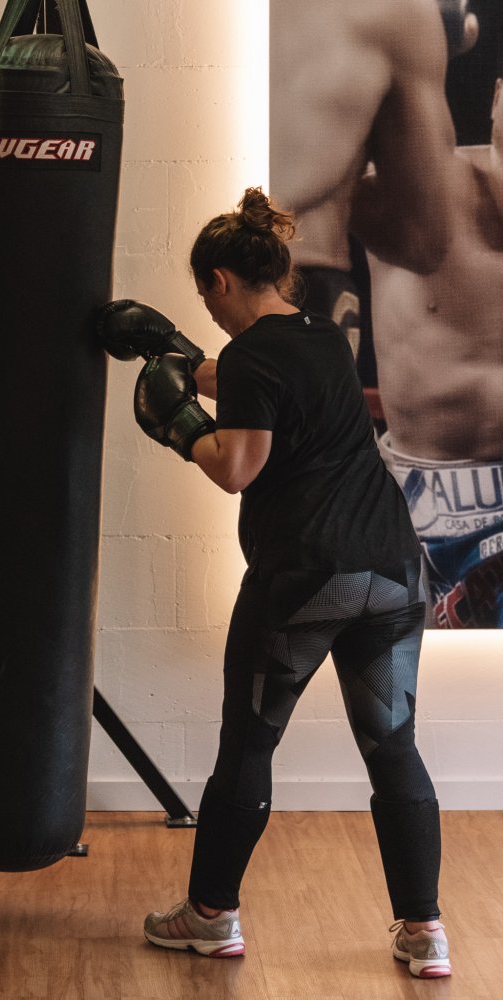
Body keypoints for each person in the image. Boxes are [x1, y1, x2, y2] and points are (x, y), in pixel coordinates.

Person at [98, 189, 449, 978]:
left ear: (221, 280)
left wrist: (181, 427)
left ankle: (211, 916)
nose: (211, 313)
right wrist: (183, 357)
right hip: (392, 572)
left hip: (304, 578)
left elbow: (238, 466)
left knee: (248, 746)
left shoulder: (255, 356)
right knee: (393, 748)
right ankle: (425, 932)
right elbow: (254, 380)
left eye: (205, 299)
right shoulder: (321, 334)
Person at [355, 41, 503, 628]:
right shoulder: (412, 194)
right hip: (421, 499)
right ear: (496, 99)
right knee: (405, 690)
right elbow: (290, 201)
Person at [270, 0, 463, 371]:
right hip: (302, 289)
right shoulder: (396, 11)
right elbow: (424, 237)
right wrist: (340, 178)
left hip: (172, 266)